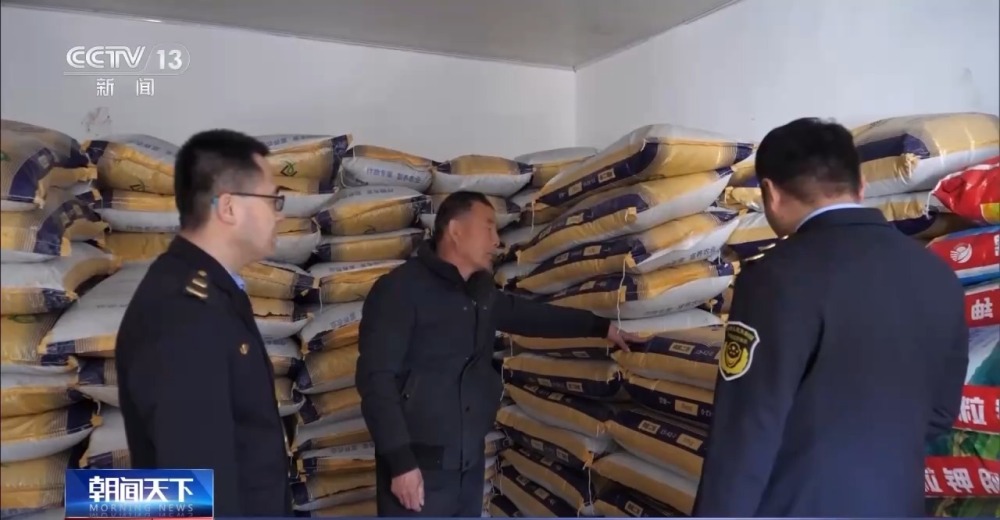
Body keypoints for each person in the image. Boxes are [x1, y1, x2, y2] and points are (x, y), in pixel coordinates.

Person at [693, 118, 969, 517]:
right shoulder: (937, 275)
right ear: (861, 186)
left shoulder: (775, 279)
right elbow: (940, 413)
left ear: (770, 193)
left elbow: (746, 432)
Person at [357, 191, 638, 517]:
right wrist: (400, 463)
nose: (496, 241)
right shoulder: (399, 290)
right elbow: (375, 380)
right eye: (488, 227)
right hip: (418, 471)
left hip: (468, 468)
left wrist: (600, 327)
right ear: (456, 231)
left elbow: (532, 317)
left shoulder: (480, 294)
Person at [115, 129, 292, 517]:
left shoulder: (212, 290)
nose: (279, 213)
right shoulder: (183, 314)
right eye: (273, 199)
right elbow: (193, 484)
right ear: (228, 207)